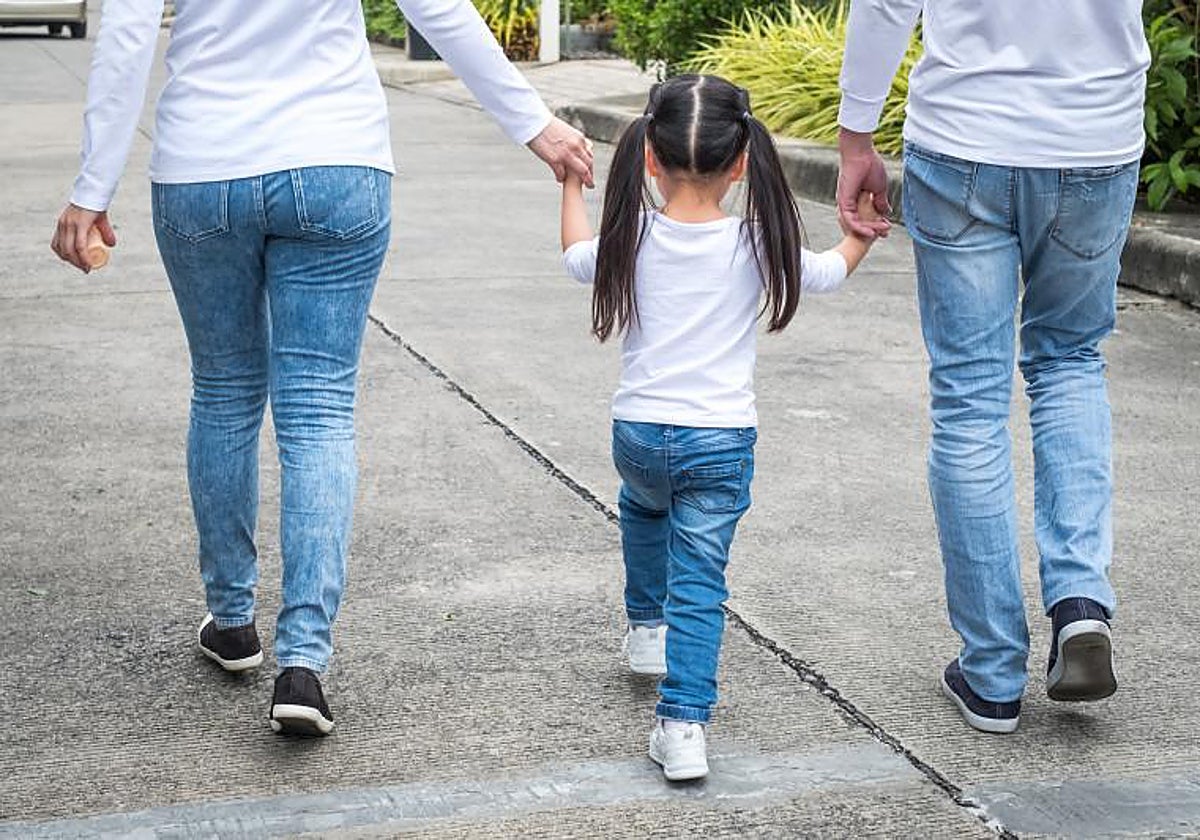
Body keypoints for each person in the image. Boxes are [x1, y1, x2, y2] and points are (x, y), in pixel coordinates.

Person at [50, 0, 593, 737]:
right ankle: (303, 663)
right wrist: (537, 127)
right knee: (319, 409)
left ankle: (234, 622)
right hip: (338, 161)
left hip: (204, 167)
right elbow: (436, 7)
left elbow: (127, 35)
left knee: (224, 390)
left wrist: (92, 187)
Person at [837, 0, 1148, 733]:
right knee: (1069, 361)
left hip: (966, 136)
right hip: (1095, 135)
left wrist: (857, 137)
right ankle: (1079, 604)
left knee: (969, 402)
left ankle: (992, 673)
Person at [561, 75, 876, 779]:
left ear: (648, 157)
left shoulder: (629, 235)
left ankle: (646, 628)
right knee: (700, 584)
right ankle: (682, 726)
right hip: (720, 440)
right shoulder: (757, 241)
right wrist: (861, 236)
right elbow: (825, 274)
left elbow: (573, 255)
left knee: (643, 509)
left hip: (639, 436)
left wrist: (569, 189)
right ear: (741, 162)